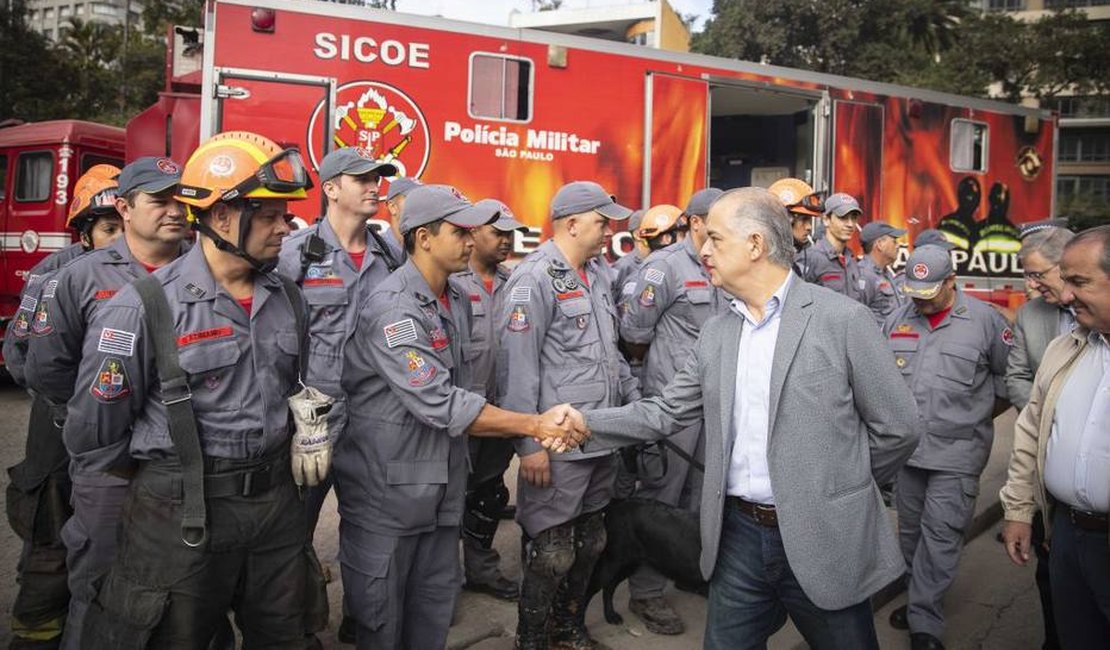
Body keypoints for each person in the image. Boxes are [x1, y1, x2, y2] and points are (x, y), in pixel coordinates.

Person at [554, 187, 919, 649]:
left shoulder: (842, 321)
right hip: (739, 537)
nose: (702, 249)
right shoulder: (718, 332)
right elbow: (665, 411)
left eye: (716, 240)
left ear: (755, 244)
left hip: (822, 535)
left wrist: (837, 486)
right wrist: (585, 424)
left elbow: (899, 429)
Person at [62, 131, 328, 646]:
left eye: (284, 214)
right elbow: (95, 434)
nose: (285, 228)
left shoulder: (289, 298)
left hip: (274, 507)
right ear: (222, 217)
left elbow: (293, 384)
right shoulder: (142, 308)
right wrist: (161, 483)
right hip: (180, 512)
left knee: (286, 632)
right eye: (270, 214)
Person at [334, 184, 585, 649]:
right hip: (388, 492)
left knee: (431, 613)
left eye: (473, 232)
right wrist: (532, 424)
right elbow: (439, 400)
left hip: (440, 485)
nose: (471, 241)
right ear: (423, 238)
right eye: (460, 232)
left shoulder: (451, 297)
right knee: (381, 619)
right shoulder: (394, 308)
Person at [24, 156, 188, 649]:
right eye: (159, 200)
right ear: (124, 207)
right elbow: (47, 370)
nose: (175, 211)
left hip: (180, 467)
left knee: (179, 592)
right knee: (97, 586)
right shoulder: (79, 278)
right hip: (109, 466)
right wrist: (91, 422)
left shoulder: (204, 267)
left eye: (181, 199)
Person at [498, 180, 640, 649]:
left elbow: (610, 353)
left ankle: (568, 627)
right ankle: (532, 640)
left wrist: (631, 411)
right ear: (572, 223)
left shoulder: (597, 272)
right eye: (601, 222)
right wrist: (529, 446)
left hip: (600, 435)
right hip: (556, 444)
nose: (607, 231)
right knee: (552, 551)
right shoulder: (533, 277)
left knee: (592, 542)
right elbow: (517, 368)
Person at [276, 145, 401, 643]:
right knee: (293, 528)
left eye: (378, 178)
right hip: (314, 419)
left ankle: (363, 618)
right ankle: (299, 628)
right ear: (331, 188)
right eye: (362, 179)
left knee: (370, 526)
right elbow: (270, 339)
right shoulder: (297, 253)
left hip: (374, 416)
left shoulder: (389, 253)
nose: (375, 186)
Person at [4, 165, 124, 650]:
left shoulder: (149, 270)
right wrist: (73, 410)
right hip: (57, 426)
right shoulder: (52, 275)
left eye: (122, 224)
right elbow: (20, 357)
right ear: (84, 230)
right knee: (51, 533)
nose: (118, 238)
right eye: (108, 228)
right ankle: (35, 633)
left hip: (114, 425)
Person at [882, 245, 1012, 650]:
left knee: (941, 534)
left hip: (957, 454)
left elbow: (1007, 383)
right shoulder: (897, 319)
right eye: (914, 292)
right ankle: (920, 597)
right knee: (911, 536)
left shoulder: (986, 322)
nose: (920, 302)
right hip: (909, 455)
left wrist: (971, 419)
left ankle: (925, 622)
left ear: (951, 282)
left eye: (929, 293)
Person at [616, 185, 728, 635]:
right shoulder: (664, 268)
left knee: (705, 498)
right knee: (662, 497)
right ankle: (646, 592)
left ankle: (688, 570)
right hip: (673, 406)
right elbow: (633, 331)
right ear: (696, 222)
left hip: (716, 402)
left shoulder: (725, 262)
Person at [1000, 225, 1110, 650]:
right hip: (1065, 533)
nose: (1065, 296)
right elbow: (1031, 431)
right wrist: (1019, 510)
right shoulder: (1065, 349)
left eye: (1079, 282)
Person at [452, 199, 529, 601]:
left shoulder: (513, 281)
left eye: (511, 234)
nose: (507, 241)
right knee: (446, 501)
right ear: (473, 232)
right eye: (498, 233)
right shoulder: (449, 282)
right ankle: (442, 583)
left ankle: (481, 570)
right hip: (458, 415)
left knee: (488, 496)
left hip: (501, 413)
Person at [1002, 225, 1075, 650]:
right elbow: (1017, 376)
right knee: (1051, 580)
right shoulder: (1031, 316)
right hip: (1045, 474)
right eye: (1025, 275)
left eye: (1037, 274)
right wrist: (1050, 414)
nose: (1030, 284)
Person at [795, 192, 865, 301]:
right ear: (826, 220)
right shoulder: (809, 259)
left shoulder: (851, 261)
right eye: (843, 218)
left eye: (854, 218)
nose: (850, 224)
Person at [859, 221, 907, 324]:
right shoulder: (864, 275)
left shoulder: (885, 273)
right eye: (894, 241)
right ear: (880, 244)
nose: (898, 246)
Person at [767, 177, 820, 255]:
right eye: (803, 220)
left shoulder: (808, 253)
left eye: (809, 220)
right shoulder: (763, 259)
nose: (809, 227)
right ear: (784, 220)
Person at [610, 208, 648, 311]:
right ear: (637, 234)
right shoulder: (622, 266)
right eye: (650, 228)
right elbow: (611, 302)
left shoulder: (662, 263)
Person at [382, 176, 422, 260]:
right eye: (413, 199)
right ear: (392, 207)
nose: (420, 204)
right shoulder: (379, 249)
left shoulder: (430, 246)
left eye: (422, 199)